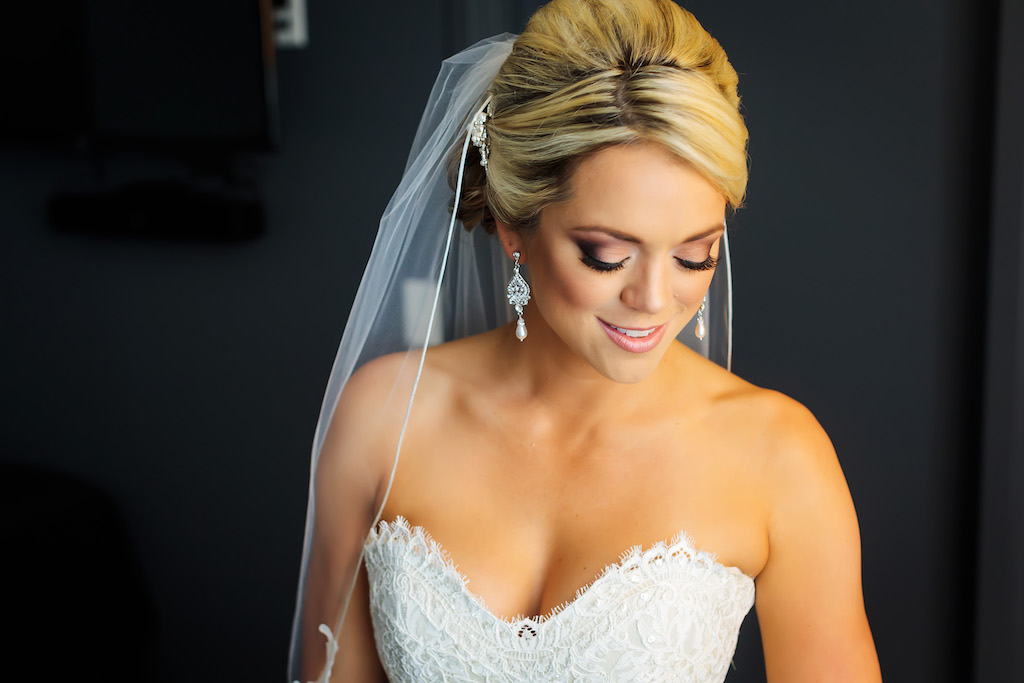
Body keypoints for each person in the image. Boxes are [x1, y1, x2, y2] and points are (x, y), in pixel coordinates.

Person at [288, 1, 882, 681]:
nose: (656, 300)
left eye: (695, 255)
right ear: (516, 228)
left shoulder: (780, 456)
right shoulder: (383, 418)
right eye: (606, 254)